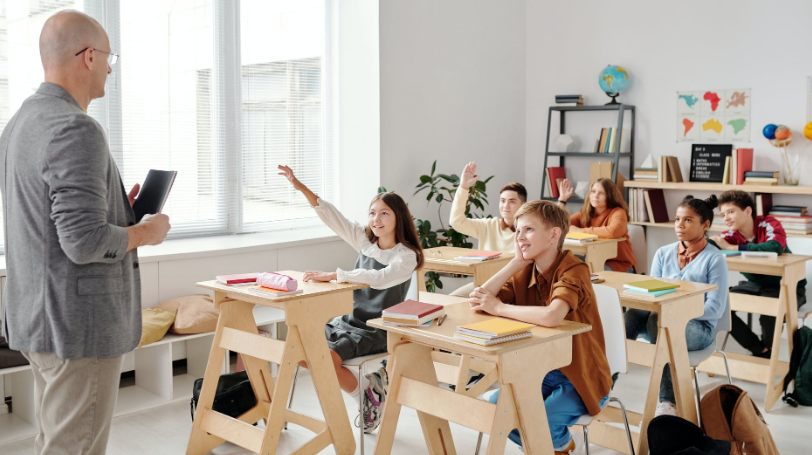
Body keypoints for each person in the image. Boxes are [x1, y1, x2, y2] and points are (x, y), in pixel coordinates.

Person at [0, 10, 170, 454]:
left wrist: (120, 210)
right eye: (109, 57)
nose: (111, 68)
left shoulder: (19, 124)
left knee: (55, 439)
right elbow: (84, 242)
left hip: (37, 319)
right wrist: (146, 232)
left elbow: (46, 220)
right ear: (89, 56)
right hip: (78, 328)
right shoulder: (76, 128)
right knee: (74, 447)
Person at [278, 165, 423, 434]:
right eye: (372, 213)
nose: (376, 219)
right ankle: (367, 390)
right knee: (297, 350)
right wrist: (300, 187)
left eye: (384, 213)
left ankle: (365, 395)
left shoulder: (406, 256)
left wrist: (335, 275)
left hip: (376, 329)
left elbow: (379, 278)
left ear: (398, 217)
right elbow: (333, 217)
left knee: (326, 360)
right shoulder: (366, 242)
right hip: (347, 321)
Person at [468, 200, 612, 454]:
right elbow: (479, 301)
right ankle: (561, 446)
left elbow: (553, 315)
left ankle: (559, 446)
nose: (519, 237)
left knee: (541, 425)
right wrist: (515, 263)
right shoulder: (525, 271)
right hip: (539, 370)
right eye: (517, 231)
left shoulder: (575, 269)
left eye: (528, 230)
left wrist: (499, 308)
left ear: (553, 235)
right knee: (496, 413)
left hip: (580, 375)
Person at [624, 195, 728, 416]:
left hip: (700, 328)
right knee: (632, 314)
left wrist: (675, 313)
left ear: (705, 225)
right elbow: (652, 295)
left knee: (659, 322)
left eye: (688, 220)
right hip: (663, 321)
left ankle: (668, 402)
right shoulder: (663, 253)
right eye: (677, 219)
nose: (680, 225)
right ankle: (602, 384)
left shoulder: (714, 259)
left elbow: (716, 309)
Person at [710, 190, 807, 358]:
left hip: (788, 286)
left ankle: (766, 357)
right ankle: (759, 350)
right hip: (755, 286)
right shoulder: (731, 236)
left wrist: (734, 248)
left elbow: (775, 247)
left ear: (748, 211)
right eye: (723, 214)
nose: (725, 218)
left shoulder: (769, 223)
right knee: (718, 305)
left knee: (769, 314)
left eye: (731, 212)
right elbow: (710, 245)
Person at [448, 161, 527, 296]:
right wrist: (463, 187)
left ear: (523, 204)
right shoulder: (488, 225)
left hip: (514, 286)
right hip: (483, 283)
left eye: (512, 201)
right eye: (502, 201)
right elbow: (456, 222)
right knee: (451, 299)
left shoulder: (529, 230)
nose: (505, 206)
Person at [557, 178, 637, 273]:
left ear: (610, 196)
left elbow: (613, 232)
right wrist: (562, 200)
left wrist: (579, 231)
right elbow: (557, 223)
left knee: (580, 273)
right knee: (564, 268)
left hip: (619, 266)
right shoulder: (585, 213)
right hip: (592, 260)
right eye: (593, 191)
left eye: (601, 193)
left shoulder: (618, 212)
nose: (596, 196)